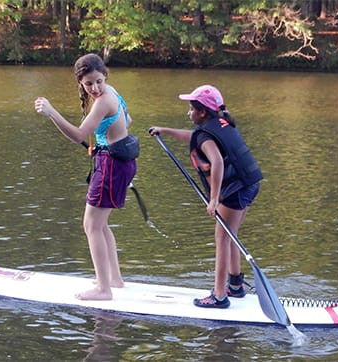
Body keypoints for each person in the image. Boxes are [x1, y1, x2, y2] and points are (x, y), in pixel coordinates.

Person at [148, 85, 262, 308]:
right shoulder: (220, 124)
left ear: (202, 113)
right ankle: (236, 286)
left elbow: (217, 161)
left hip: (234, 190)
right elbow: (195, 138)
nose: (188, 113)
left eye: (191, 109)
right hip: (249, 184)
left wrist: (214, 199)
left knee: (221, 239)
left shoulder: (206, 133)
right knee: (231, 235)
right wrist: (166, 131)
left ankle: (219, 296)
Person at [34, 53, 136, 301]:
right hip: (118, 162)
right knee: (100, 224)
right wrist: (105, 140)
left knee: (91, 225)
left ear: (105, 75)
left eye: (99, 81)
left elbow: (79, 135)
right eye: (89, 83)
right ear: (80, 82)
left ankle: (104, 289)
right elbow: (128, 119)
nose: (95, 88)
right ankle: (114, 279)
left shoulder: (103, 101)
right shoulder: (112, 92)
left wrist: (52, 113)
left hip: (112, 166)